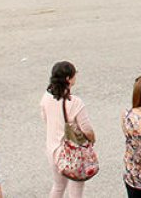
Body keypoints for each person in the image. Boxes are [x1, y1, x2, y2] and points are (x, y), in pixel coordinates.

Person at [40, 61, 95, 198]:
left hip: (52, 149)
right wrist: (92, 139)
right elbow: (86, 129)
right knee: (75, 190)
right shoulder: (75, 102)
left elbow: (45, 119)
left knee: (58, 186)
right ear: (68, 79)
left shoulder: (46, 98)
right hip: (71, 152)